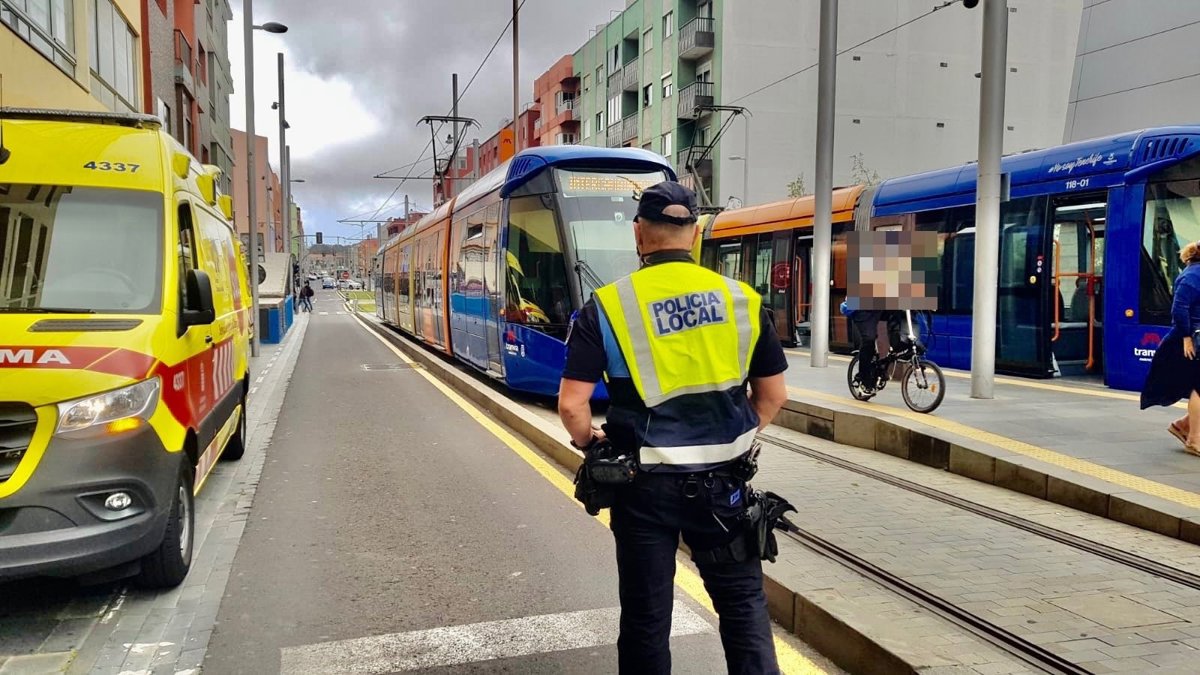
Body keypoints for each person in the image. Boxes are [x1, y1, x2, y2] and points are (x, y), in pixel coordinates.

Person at [558, 181, 789, 674]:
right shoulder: (742, 300)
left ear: (638, 233)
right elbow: (773, 397)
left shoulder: (608, 305)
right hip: (725, 488)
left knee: (646, 617)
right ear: (694, 233)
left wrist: (590, 441)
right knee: (743, 606)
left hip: (642, 489)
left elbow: (572, 406)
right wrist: (733, 436)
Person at [1141, 241, 1200, 456]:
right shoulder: (1192, 276)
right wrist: (1186, 337)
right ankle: (1194, 440)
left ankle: (1183, 426)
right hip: (1191, 339)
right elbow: (1179, 309)